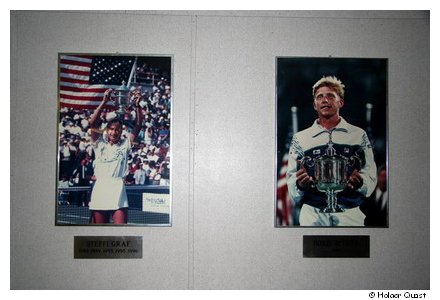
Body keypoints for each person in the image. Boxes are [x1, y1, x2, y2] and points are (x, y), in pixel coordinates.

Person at [286, 76, 377, 226]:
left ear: (340, 102)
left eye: (330, 95)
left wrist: (361, 183)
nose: (325, 100)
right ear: (315, 104)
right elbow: (291, 182)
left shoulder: (358, 134)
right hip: (312, 213)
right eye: (319, 96)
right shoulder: (300, 138)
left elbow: (370, 173)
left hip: (349, 211)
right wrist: (300, 185)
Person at [88, 88, 143, 224]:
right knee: (99, 232)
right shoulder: (98, 143)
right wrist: (103, 102)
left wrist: (137, 106)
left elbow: (138, 125)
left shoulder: (125, 144)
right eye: (111, 129)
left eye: (117, 129)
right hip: (101, 188)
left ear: (121, 131)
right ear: (107, 130)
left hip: (118, 189)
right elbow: (92, 123)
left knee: (121, 229)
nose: (114, 132)